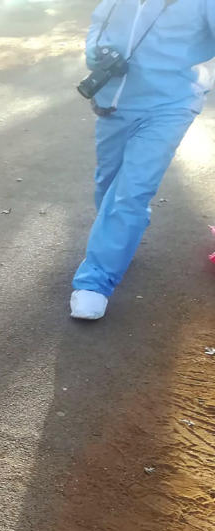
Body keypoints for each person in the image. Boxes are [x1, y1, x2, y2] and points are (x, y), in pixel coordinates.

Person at [70, 0, 215, 320]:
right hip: (112, 103)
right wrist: (96, 51)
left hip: (170, 105)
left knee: (132, 189)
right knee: (107, 184)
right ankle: (123, 235)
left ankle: (95, 281)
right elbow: (99, 24)